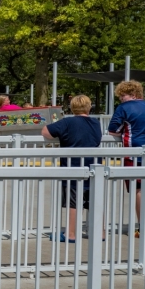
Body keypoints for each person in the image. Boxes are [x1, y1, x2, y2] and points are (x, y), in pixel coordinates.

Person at [108, 80, 145, 237]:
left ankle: (142, 227)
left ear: (132, 94)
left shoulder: (124, 108)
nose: (121, 99)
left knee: (139, 190)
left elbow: (113, 130)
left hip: (136, 154)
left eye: (123, 96)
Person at [42, 95, 102, 243]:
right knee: (95, 201)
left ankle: (71, 233)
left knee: (73, 203)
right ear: (89, 107)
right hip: (94, 166)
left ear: (72, 108)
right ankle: (100, 233)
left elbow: (46, 132)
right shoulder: (96, 122)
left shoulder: (67, 122)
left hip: (73, 167)